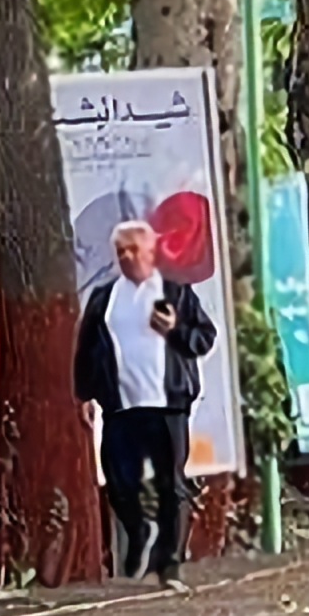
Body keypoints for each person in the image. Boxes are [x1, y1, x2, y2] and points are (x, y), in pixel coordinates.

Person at [73, 218, 222, 591]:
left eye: (133, 250)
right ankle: (140, 529)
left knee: (172, 483)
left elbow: (204, 338)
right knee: (119, 479)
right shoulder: (105, 297)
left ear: (152, 252)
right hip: (121, 406)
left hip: (168, 404)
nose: (126, 257)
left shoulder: (175, 292)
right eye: (120, 251)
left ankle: (169, 564)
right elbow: (87, 348)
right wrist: (83, 394)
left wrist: (175, 330)